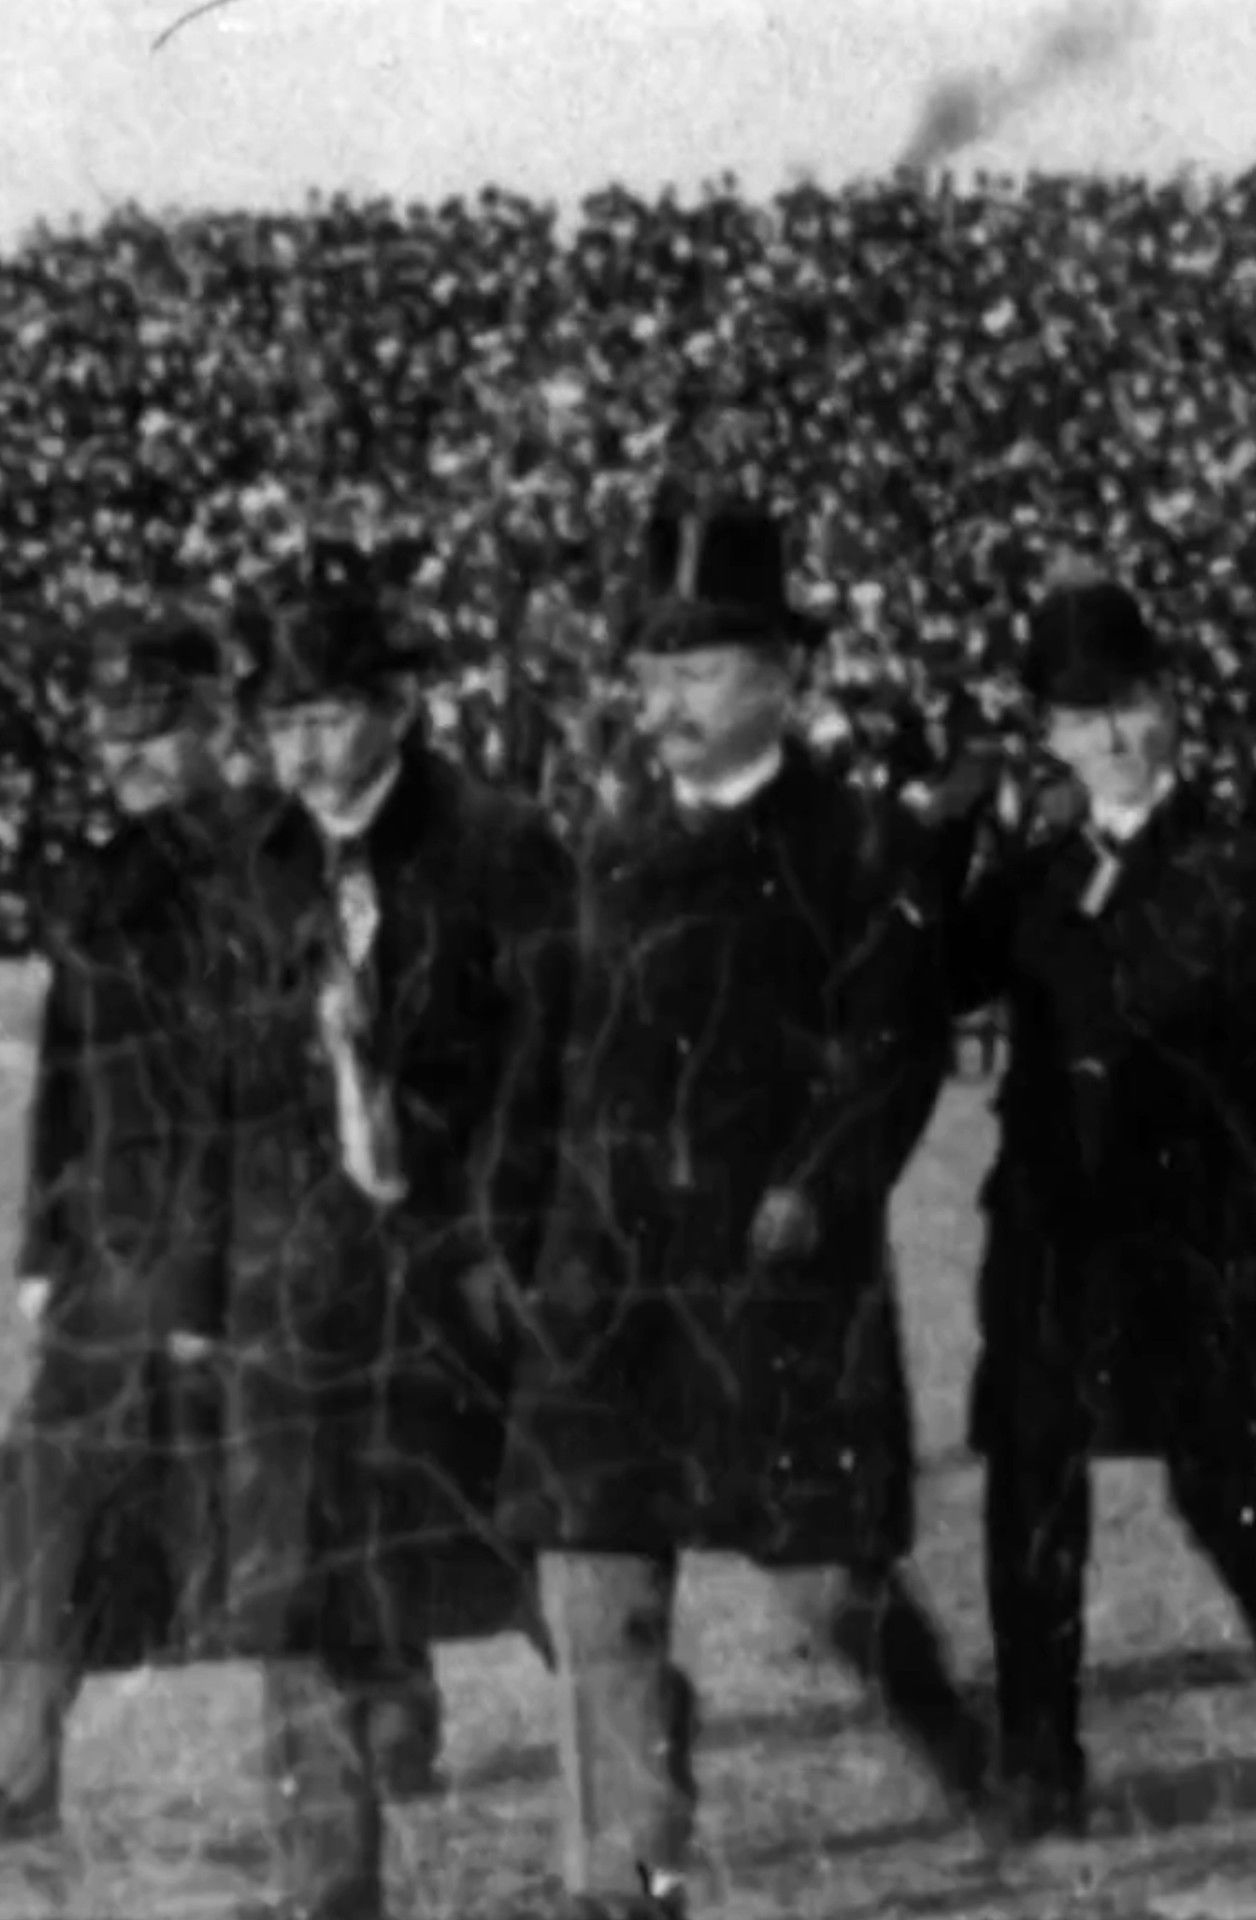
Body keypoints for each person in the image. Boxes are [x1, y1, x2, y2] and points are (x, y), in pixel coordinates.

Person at [495, 491, 995, 1920]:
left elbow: (888, 1054)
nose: (666, 702)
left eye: (701, 671)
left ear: (786, 676)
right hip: (609, 1285)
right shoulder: (604, 846)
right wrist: (518, 1224)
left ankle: (958, 1740)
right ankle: (627, 1876)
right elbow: (553, 1055)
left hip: (776, 1278)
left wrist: (815, 1191)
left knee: (834, 1589)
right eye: (649, 675)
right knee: (599, 1587)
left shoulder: (861, 846)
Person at [227, 546, 575, 1920]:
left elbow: (552, 1064)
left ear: (397, 708)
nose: (304, 749)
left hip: (468, 1268)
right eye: (284, 723)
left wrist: (507, 1243)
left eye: (328, 716)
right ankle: (329, 1884)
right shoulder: (253, 864)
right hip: (308, 1281)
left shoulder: (500, 843)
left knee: (559, 1571)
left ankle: (646, 1841)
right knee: (305, 1573)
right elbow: (232, 1079)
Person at [954, 577, 1256, 1843]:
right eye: (1085, 716)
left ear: (1173, 706)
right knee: (1031, 1489)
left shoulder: (1233, 862)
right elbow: (911, 983)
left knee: (1227, 1484)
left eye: (1131, 705)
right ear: (1051, 735)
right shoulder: (1027, 881)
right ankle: (1037, 1754)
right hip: (1052, 1239)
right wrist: (937, 833)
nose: (1117, 736)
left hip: (1204, 1241)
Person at [0, 598, 243, 1835]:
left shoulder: (268, 862)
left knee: (315, 1493)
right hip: (109, 1247)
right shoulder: (97, 878)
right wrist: (40, 1243)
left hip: (251, 1231)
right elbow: (68, 1078)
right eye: (111, 726)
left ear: (214, 723)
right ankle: (15, 1770)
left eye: (158, 724)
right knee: (44, 1492)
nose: (129, 750)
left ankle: (402, 1716)